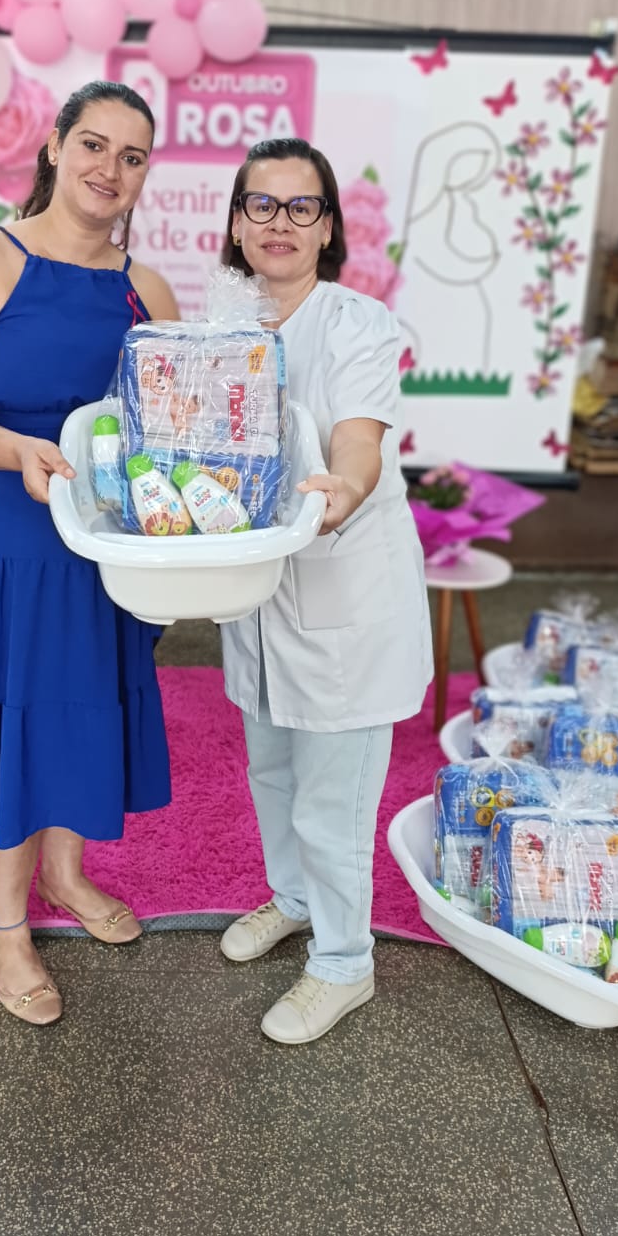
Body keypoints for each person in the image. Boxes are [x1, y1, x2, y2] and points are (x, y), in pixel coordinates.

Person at [0, 80, 178, 1027]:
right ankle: (7, 928)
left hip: (99, 541)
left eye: (132, 156)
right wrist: (17, 450)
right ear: (56, 147)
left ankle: (66, 874)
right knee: (10, 719)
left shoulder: (147, 290)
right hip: (0, 535)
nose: (110, 169)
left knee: (83, 708)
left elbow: (165, 422)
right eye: (94, 144)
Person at [217, 137, 433, 1045]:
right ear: (237, 223)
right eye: (261, 204)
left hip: (344, 596)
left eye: (300, 206)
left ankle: (344, 963)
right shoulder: (225, 327)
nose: (280, 222)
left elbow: (359, 436)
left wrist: (342, 487)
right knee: (271, 770)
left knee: (331, 801)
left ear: (328, 227)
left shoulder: (357, 324)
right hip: (259, 592)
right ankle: (295, 899)